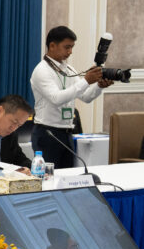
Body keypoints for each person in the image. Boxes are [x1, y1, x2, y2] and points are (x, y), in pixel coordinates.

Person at [30, 26, 113, 168]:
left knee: (68, 175)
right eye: (67, 47)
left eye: (72, 47)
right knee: (49, 176)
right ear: (52, 46)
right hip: (48, 133)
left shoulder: (68, 69)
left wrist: (99, 86)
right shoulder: (42, 70)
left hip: (68, 132)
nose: (70, 52)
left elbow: (86, 97)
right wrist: (86, 81)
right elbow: (56, 98)